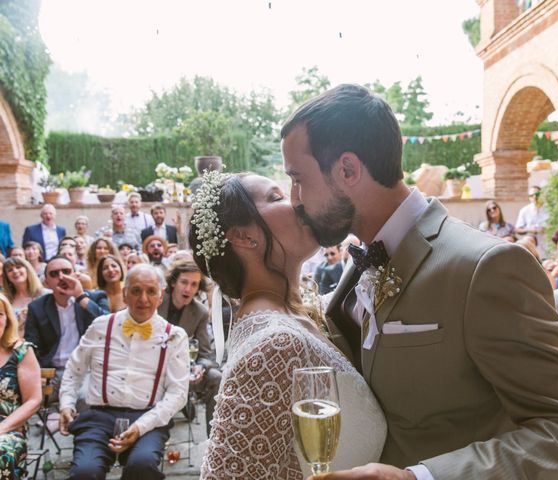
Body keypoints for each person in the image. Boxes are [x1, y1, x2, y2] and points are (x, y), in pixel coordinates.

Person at [280, 84, 558, 479]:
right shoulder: (360, 262)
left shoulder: (487, 267)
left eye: (298, 178)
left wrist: (417, 478)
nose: (294, 198)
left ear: (348, 169)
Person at [190, 171, 386, 479]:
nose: (297, 200)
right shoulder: (275, 344)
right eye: (276, 197)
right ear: (243, 236)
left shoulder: (297, 315)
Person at [58, 264, 189, 479]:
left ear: (161, 296)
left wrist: (141, 427)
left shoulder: (175, 336)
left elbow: (178, 393)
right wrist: (66, 404)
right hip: (98, 416)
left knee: (142, 466)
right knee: (85, 472)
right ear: (125, 294)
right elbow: (74, 368)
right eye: (136, 291)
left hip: (148, 417)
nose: (143, 299)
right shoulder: (101, 326)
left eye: (151, 291)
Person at [24, 255, 109, 392]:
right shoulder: (36, 307)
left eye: (66, 271)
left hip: (86, 371)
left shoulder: (96, 298)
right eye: (54, 274)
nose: (62, 277)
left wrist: (80, 297)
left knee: (83, 399)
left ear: (76, 275)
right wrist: (37, 372)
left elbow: (108, 326)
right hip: (51, 373)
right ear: (46, 282)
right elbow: (31, 346)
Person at [157, 260, 221, 435]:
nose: (188, 289)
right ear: (173, 282)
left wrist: (201, 366)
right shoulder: (157, 300)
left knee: (216, 377)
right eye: (184, 282)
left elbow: (206, 353)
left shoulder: (199, 311)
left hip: (182, 370)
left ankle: (213, 441)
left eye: (194, 284)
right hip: (152, 368)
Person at [0, 293, 42, 479]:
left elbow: (34, 400)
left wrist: (3, 427)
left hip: (8, 429)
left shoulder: (20, 351)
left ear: (7, 318)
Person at [2, 257, 48, 337]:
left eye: (18, 267)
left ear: (27, 270)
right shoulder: (5, 300)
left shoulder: (45, 295)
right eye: (10, 270)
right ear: (7, 277)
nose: (15, 271)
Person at [515, 186, 549, 258]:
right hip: (531, 247)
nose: (534, 197)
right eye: (531, 195)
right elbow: (517, 229)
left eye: (537, 194)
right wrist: (530, 229)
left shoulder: (549, 209)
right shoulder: (524, 210)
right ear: (529, 198)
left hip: (547, 246)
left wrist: (546, 229)